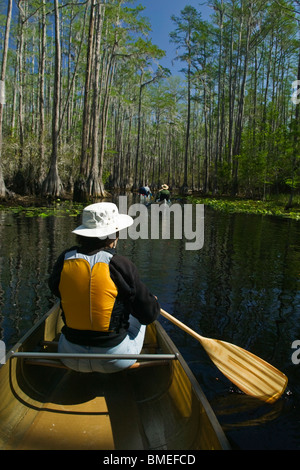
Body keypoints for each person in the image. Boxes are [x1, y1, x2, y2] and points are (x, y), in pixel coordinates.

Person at [48, 202, 160, 373]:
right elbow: (148, 316)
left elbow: (56, 289)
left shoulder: (65, 258)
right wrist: (152, 303)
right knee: (141, 315)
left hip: (69, 355)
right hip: (114, 359)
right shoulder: (121, 264)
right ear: (113, 234)